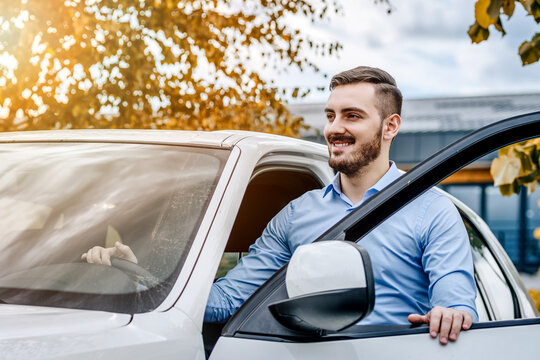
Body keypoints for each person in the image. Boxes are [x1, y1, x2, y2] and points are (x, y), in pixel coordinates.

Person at [83, 66, 478, 345]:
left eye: (352, 116)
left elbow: (454, 297)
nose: (335, 128)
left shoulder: (433, 211)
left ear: (390, 127)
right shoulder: (296, 215)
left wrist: (451, 312)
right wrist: (140, 275)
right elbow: (224, 302)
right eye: (330, 115)